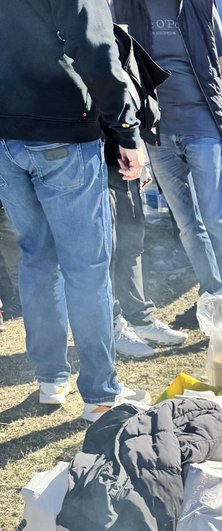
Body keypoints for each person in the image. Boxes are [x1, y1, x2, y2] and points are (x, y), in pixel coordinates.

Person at [0, 0, 145, 419]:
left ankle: (51, 380)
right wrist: (127, 132)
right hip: (61, 135)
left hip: (7, 141)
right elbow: (98, 49)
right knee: (85, 268)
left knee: (37, 259)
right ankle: (101, 396)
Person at [112, 0, 222, 314]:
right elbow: (117, 72)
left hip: (202, 127)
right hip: (158, 136)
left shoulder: (199, 6)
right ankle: (214, 300)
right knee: (188, 226)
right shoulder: (126, 8)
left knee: (217, 221)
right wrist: (131, 139)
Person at [106, 19, 188, 360]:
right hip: (88, 151)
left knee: (132, 235)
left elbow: (132, 92)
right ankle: (112, 325)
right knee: (105, 245)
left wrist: (138, 147)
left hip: (122, 148)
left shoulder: (114, 30)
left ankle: (140, 318)